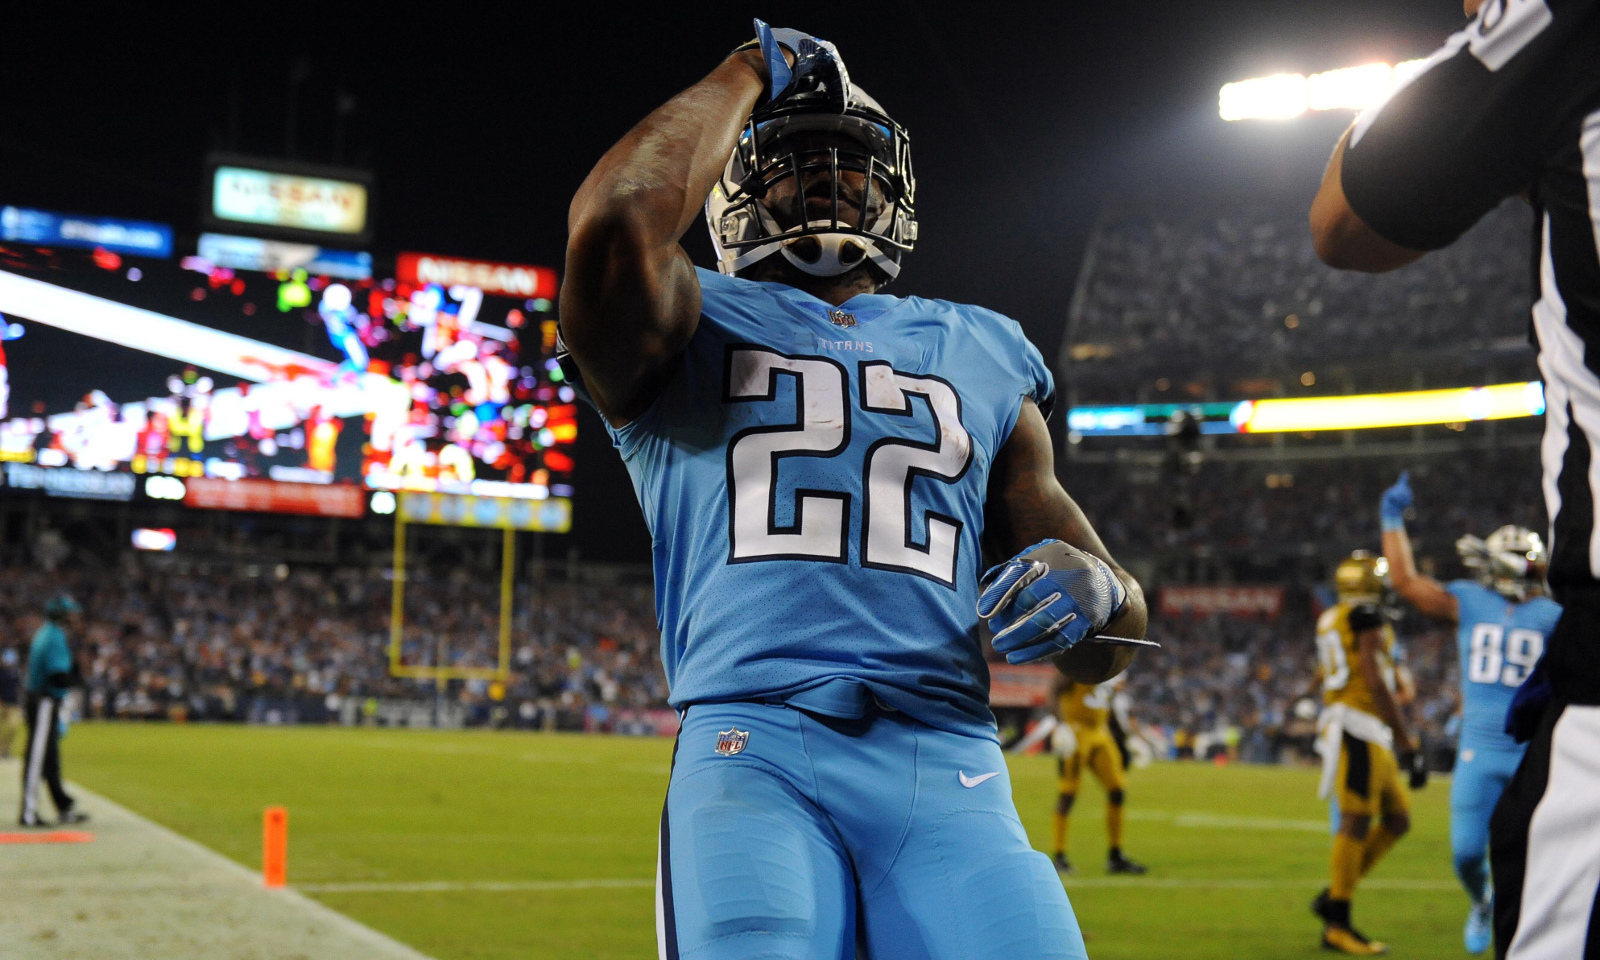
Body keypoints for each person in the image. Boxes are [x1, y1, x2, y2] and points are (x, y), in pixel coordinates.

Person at [560, 20, 1148, 960]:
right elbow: (615, 227)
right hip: (754, 753)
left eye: (854, 161)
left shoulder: (984, 346)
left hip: (950, 762)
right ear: (731, 187)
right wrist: (746, 69)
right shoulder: (690, 313)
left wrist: (1101, 593)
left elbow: (1108, 642)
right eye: (797, 161)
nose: (833, 176)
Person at [1310, 1, 1600, 955]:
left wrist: (1487, 47)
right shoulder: (1478, 605)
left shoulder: (1552, 28)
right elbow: (1414, 593)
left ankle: (1346, 913)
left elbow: (1344, 222)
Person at [1377, 473, 1561, 954]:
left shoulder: (1551, 615)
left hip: (1531, 753)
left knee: (1534, 857)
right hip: (1479, 751)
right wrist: (1390, 519)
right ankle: (1481, 900)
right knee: (1465, 855)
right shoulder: (1471, 601)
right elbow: (1404, 582)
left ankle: (1529, 932)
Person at [1310, 552, 1416, 955]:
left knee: (1398, 818)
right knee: (1356, 821)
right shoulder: (1367, 618)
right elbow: (1373, 679)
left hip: (1361, 727)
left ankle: (1334, 896)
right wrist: (1406, 741)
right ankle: (1338, 922)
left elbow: (1325, 669)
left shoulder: (1330, 616)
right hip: (1359, 726)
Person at [1048, 672, 1147, 876]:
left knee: (1117, 790)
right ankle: (1059, 856)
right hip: (1076, 730)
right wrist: (1061, 723)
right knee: (1068, 793)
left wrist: (1125, 738)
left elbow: (1107, 704)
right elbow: (1054, 690)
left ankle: (1115, 855)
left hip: (1100, 732)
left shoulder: (1111, 664)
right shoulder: (1081, 657)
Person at [20, 593, 88, 828]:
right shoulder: (54, 636)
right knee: (38, 757)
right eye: (71, 612)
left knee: (50, 758)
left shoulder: (49, 633)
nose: (75, 616)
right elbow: (57, 677)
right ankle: (28, 813)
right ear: (61, 614)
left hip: (44, 701)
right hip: (43, 702)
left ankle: (63, 806)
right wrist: (78, 679)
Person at [0, 648, 20, 759]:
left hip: (13, 704)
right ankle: (2, 750)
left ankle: (7, 749)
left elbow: (19, 688)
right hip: (2, 704)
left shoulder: (15, 673)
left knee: (13, 727)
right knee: (2, 729)